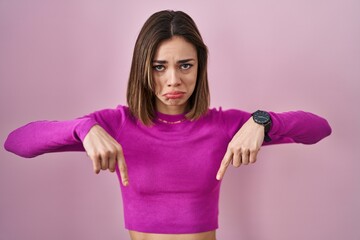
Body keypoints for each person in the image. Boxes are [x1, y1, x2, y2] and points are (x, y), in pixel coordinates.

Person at [4, 10, 331, 240]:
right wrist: (83, 128)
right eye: (159, 67)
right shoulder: (114, 124)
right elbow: (16, 142)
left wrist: (263, 120)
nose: (173, 80)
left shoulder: (225, 125)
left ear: (200, 67)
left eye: (185, 65)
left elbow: (320, 128)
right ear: (143, 69)